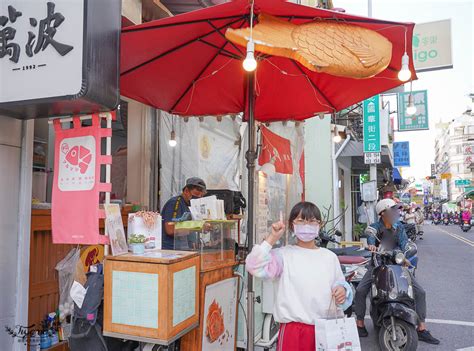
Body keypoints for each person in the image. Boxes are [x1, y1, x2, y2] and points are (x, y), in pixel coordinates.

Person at [246, 202, 353, 351]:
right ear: (291, 225)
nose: (306, 225)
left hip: (327, 330)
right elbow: (253, 266)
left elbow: (341, 286)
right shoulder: (283, 256)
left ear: (319, 225)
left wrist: (342, 291)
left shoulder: (330, 257)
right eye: (301, 220)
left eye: (312, 221)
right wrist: (272, 237)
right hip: (293, 332)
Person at [355, 199, 440, 345]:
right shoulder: (375, 227)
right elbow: (370, 235)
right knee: (361, 290)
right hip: (377, 265)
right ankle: (360, 323)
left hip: (397, 264)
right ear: (383, 213)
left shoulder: (399, 227)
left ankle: (421, 328)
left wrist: (407, 250)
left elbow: (405, 242)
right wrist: (371, 246)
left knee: (420, 292)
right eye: (393, 210)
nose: (396, 213)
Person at [161, 177, 207, 250]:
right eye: (196, 194)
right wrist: (196, 229)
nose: (198, 197)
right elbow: (170, 230)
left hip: (184, 249)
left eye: (201, 196)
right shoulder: (175, 203)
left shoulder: (189, 206)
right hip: (172, 250)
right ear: (186, 191)